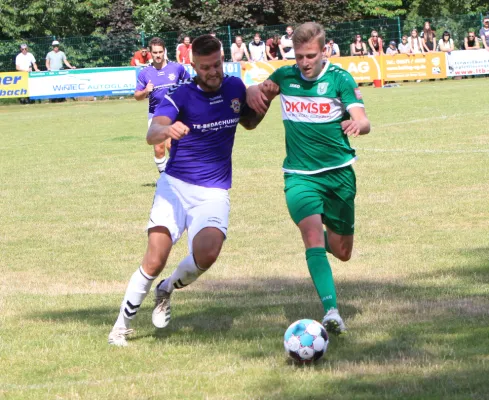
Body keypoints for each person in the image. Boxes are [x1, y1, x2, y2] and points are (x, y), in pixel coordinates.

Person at [108, 34, 265, 347]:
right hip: (175, 187)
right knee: (155, 259)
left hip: (214, 190)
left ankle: (166, 289)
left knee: (207, 254)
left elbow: (249, 123)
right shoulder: (181, 95)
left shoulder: (235, 87)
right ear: (193, 66)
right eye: (206, 67)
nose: (213, 72)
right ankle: (121, 325)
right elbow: (152, 133)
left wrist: (266, 100)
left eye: (217, 64)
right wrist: (166, 129)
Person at [246, 22, 370, 336]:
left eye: (310, 55)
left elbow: (362, 119)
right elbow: (258, 99)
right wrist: (251, 95)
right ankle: (331, 312)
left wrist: (358, 125)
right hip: (299, 176)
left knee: (343, 252)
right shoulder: (284, 77)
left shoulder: (339, 78)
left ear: (324, 50)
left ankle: (327, 252)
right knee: (312, 237)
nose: (304, 63)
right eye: (299, 56)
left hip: (339, 175)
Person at [134, 37, 190, 173]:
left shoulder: (176, 68)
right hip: (155, 113)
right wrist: (145, 91)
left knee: (171, 145)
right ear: (150, 53)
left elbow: (190, 84)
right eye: (155, 53)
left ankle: (178, 175)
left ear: (164, 51)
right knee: (159, 149)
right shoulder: (145, 73)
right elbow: (136, 96)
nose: (158, 55)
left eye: (160, 52)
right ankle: (164, 177)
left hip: (175, 113)